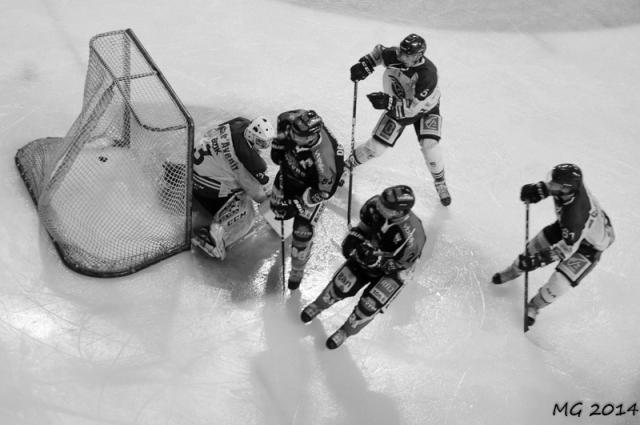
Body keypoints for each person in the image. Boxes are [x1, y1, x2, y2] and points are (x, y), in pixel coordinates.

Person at [300, 185, 426, 349]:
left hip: (395, 268)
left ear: (398, 212)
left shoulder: (413, 238)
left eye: (385, 205)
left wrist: (376, 261)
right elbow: (364, 227)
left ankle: (346, 331)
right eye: (381, 199)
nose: (379, 204)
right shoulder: (374, 204)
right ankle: (319, 305)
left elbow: (400, 265)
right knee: (341, 284)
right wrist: (354, 238)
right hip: (369, 249)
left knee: (368, 306)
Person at [492, 164, 615, 327]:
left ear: (565, 189)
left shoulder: (575, 217)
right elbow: (553, 188)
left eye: (555, 182)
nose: (551, 182)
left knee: (559, 283)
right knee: (534, 247)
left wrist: (538, 261)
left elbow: (565, 250)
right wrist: (538, 190)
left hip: (589, 247)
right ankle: (513, 271)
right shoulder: (569, 190)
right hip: (570, 228)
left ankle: (534, 307)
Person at [348, 33, 451, 206]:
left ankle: (440, 182)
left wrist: (388, 102)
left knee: (430, 146)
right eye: (401, 51)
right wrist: (365, 65)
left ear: (418, 56)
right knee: (376, 147)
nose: (401, 56)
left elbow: (412, 109)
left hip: (425, 108)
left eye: (407, 54)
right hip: (398, 103)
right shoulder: (396, 55)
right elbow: (380, 53)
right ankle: (348, 165)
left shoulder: (428, 75)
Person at [270, 109, 345, 290]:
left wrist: (296, 205)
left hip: (311, 191)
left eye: (299, 135)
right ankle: (276, 220)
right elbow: (283, 121)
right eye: (293, 132)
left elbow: (323, 193)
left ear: (313, 136)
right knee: (275, 207)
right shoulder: (292, 122)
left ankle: (297, 269)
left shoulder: (325, 161)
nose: (293, 136)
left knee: (301, 234)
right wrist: (278, 145)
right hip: (289, 174)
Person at [190, 116, 275, 260]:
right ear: (251, 135)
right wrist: (273, 203)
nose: (263, 147)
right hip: (204, 187)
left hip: (193, 166)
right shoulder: (245, 160)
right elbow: (258, 195)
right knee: (247, 211)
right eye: (260, 142)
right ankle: (213, 238)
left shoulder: (239, 123)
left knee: (233, 175)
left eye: (266, 143)